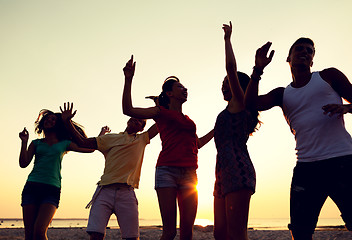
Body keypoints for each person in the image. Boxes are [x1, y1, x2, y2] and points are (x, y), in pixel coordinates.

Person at [245, 37, 352, 239]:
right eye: (299, 49)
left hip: (343, 162)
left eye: (310, 51)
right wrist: (257, 71)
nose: (305, 52)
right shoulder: (282, 94)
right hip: (306, 168)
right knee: (300, 232)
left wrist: (346, 107)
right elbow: (250, 104)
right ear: (289, 58)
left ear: (312, 60)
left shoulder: (329, 76)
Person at [122, 56, 214, 240]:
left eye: (184, 87)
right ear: (169, 93)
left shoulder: (189, 121)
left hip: (190, 174)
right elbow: (128, 109)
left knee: (187, 232)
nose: (185, 89)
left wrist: (217, 128)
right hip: (166, 171)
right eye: (180, 87)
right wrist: (128, 79)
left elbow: (199, 144)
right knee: (170, 232)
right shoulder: (160, 112)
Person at [60, 102, 158, 240]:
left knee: (132, 237)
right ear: (128, 119)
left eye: (139, 121)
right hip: (104, 191)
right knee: (96, 234)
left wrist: (159, 106)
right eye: (134, 117)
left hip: (127, 193)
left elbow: (160, 123)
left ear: (141, 128)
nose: (135, 120)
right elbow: (83, 142)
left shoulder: (142, 139)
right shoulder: (110, 138)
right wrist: (67, 121)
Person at [213, 22, 270, 240]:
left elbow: (230, 68)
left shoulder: (241, 103)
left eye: (228, 82)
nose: (224, 85)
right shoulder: (228, 109)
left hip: (238, 170)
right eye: (223, 83)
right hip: (221, 173)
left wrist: (227, 40)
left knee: (236, 234)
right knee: (220, 234)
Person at [19, 109, 93, 240]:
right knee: (29, 235)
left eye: (54, 119)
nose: (49, 120)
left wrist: (68, 121)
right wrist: (24, 141)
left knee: (40, 232)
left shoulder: (64, 144)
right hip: (31, 187)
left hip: (51, 189)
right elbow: (23, 163)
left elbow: (89, 148)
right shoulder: (36, 143)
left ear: (58, 124)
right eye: (48, 118)